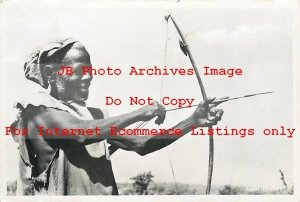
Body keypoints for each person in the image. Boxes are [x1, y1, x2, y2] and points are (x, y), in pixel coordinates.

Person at [10, 38, 224, 195]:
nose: (90, 76)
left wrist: (193, 121)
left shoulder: (92, 116)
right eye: (81, 70)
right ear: (50, 74)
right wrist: (138, 113)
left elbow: (141, 144)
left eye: (90, 69)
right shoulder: (37, 112)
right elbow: (81, 132)